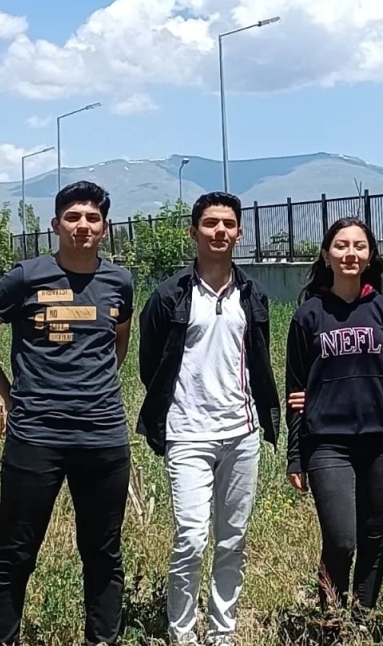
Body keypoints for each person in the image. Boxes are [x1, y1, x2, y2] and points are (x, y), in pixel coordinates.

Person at [0, 181, 134, 646]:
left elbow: (118, 341)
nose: (83, 226)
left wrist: (90, 389)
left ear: (105, 227)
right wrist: (8, 393)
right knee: (16, 552)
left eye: (92, 218)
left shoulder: (120, 282)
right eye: (73, 217)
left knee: (103, 554)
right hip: (35, 438)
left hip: (103, 439)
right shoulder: (26, 277)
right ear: (55, 225)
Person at [136, 191, 281, 646]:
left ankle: (222, 631)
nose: (220, 231)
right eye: (210, 223)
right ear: (193, 231)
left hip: (242, 434)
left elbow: (258, 358)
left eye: (228, 224)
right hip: (187, 434)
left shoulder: (252, 294)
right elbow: (149, 364)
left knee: (232, 539)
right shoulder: (169, 295)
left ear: (239, 232)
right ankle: (182, 633)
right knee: (192, 537)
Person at [283, 218, 383, 616]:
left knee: (374, 535)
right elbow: (295, 394)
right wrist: (295, 455)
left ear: (369, 256)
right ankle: (331, 619)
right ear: (326, 255)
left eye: (359, 246)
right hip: (327, 441)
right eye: (341, 246)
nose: (350, 253)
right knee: (342, 539)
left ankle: (362, 619)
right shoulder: (308, 316)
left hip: (381, 438)